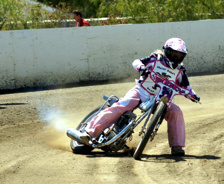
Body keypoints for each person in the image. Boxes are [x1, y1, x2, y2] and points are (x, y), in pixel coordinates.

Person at [68, 38, 200, 156]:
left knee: (176, 112)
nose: (176, 58)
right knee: (123, 105)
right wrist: (142, 69)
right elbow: (136, 62)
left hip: (161, 100)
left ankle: (177, 146)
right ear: (166, 51)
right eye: (173, 54)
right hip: (140, 92)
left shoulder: (181, 72)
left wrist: (194, 95)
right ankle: (89, 132)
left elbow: (187, 87)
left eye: (179, 55)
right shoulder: (155, 59)